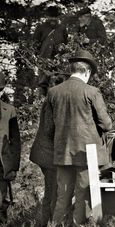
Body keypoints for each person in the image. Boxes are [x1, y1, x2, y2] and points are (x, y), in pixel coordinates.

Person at [47, 49, 112, 225]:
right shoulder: (92, 92)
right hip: (86, 154)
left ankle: (57, 224)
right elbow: (106, 124)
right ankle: (78, 224)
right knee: (83, 194)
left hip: (63, 152)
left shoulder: (53, 92)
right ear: (87, 71)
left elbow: (48, 127)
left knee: (63, 196)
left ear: (72, 69)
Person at [29, 74, 65, 227]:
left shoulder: (51, 99)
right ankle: (47, 223)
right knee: (52, 192)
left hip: (47, 152)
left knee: (53, 190)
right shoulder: (52, 101)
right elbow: (50, 129)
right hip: (47, 154)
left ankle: (48, 222)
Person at [0, 72, 21, 224]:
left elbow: (15, 141)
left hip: (2, 162)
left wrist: (13, 166)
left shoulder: (9, 110)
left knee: (1, 198)